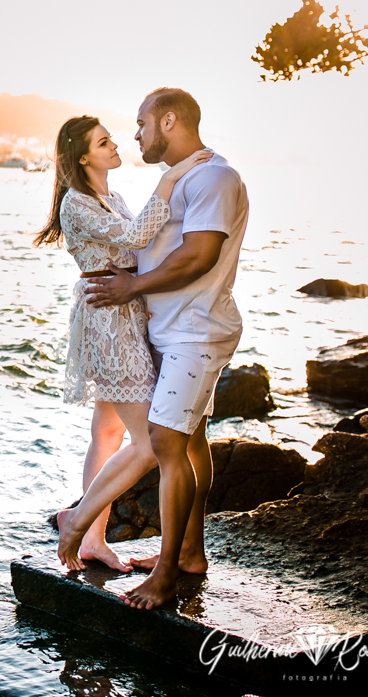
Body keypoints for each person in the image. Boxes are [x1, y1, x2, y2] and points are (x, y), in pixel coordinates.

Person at [85, 87, 249, 610]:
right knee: (192, 442)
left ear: (170, 120)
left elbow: (200, 254)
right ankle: (190, 555)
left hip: (196, 332)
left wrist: (131, 288)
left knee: (163, 440)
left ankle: (164, 578)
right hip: (171, 329)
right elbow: (155, 242)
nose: (134, 135)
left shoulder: (215, 177)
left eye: (140, 124)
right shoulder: (185, 179)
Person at [33, 115, 210, 572]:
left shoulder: (110, 197)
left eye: (112, 139)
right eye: (104, 142)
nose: (116, 146)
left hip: (125, 312)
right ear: (83, 156)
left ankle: (93, 540)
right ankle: (79, 517)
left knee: (108, 432)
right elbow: (135, 237)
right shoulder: (76, 203)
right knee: (150, 443)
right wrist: (172, 178)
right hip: (108, 321)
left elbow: (138, 247)